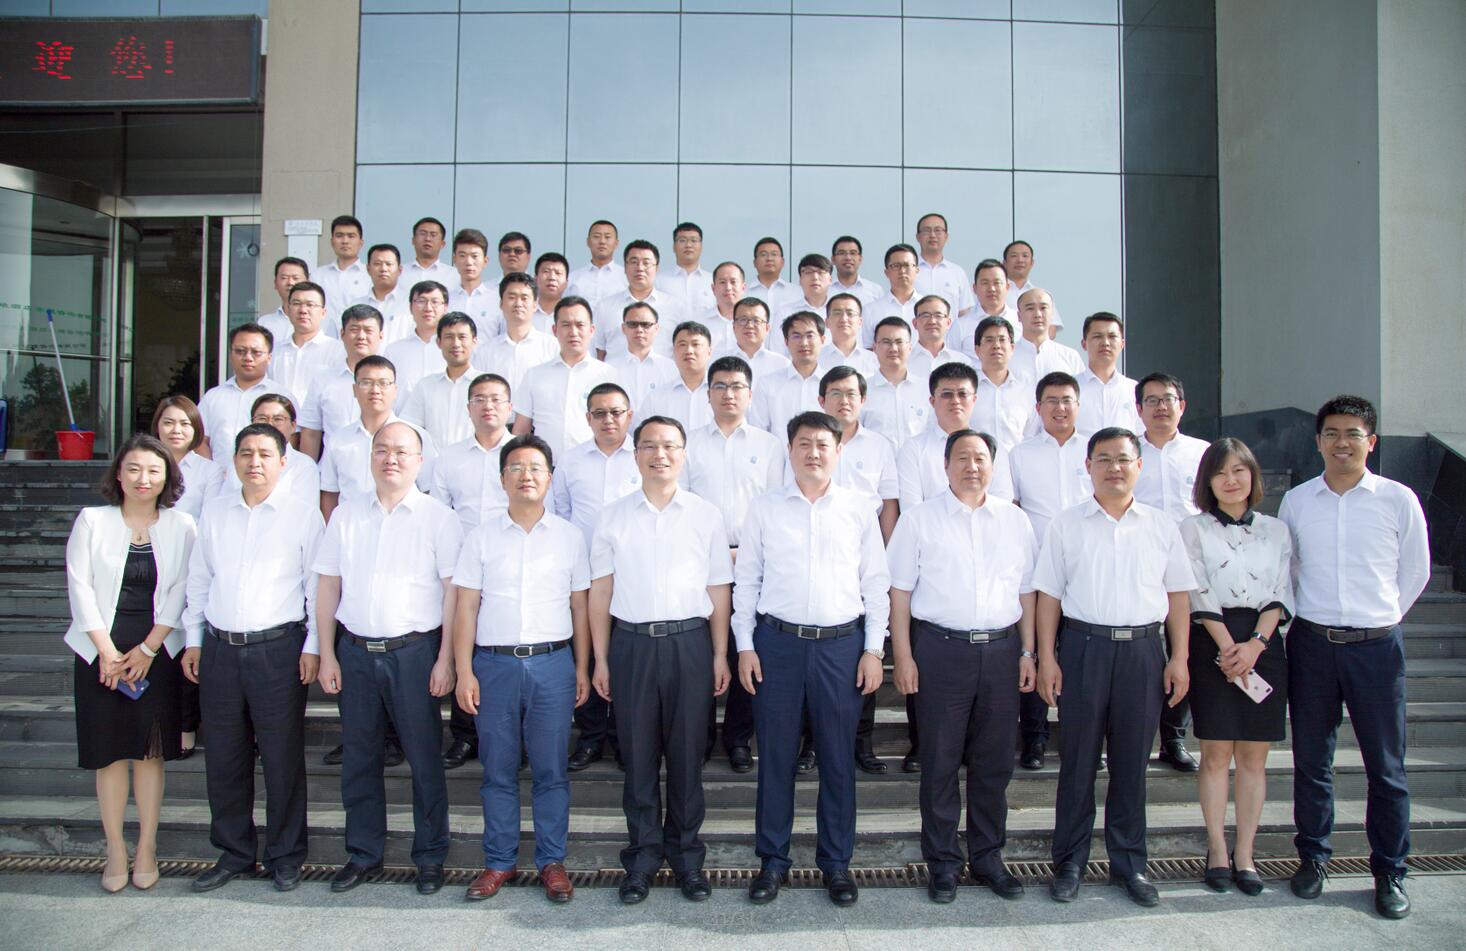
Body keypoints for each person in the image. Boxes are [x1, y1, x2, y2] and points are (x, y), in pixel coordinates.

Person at [1279, 395, 1429, 919]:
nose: (1342, 443)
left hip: (1376, 649)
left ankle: (1390, 871)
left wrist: (1379, 618)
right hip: (1312, 645)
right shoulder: (1297, 501)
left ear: (1372, 441)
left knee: (1385, 768)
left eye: (1353, 433)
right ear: (1318, 441)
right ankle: (1313, 858)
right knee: (1311, 762)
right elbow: (1289, 570)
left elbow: (1415, 570)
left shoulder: (1398, 499)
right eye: (1332, 433)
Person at [1034, 427, 1195, 908]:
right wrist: (1047, 658)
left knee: (1131, 766)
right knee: (1077, 763)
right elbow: (1048, 596)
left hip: (1143, 653)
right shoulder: (1067, 524)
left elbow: (1178, 596)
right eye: (1103, 459)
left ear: (1139, 466)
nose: (1114, 468)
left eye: (1123, 459)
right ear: (1088, 466)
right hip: (1084, 649)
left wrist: (1179, 657)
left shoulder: (1161, 526)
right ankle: (1069, 863)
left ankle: (1130, 865)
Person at [736, 412, 890, 908]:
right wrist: (744, 645)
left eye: (823, 444)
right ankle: (772, 862)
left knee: (838, 759)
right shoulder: (764, 508)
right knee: (776, 758)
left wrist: (873, 649)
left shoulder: (859, 509)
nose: (814, 453)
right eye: (804, 443)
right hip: (777, 645)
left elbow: (876, 584)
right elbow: (747, 581)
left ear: (839, 451)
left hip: (840, 648)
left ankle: (837, 864)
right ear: (790, 449)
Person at [313, 421, 463, 896]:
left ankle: (430, 855)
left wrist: (446, 659)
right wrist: (326, 653)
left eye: (401, 451)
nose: (390, 458)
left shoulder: (439, 518)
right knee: (359, 759)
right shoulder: (346, 514)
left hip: (414, 654)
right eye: (382, 450)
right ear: (370, 457)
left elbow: (453, 594)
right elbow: (328, 585)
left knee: (424, 760)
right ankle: (363, 853)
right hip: (355, 652)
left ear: (420, 461)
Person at [889, 429, 1037, 903]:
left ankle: (989, 857)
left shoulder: (1015, 521)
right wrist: (903, 656)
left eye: (980, 458)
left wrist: (1028, 652)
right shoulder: (919, 519)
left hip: (1001, 651)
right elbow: (899, 593)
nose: (971, 466)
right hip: (940, 650)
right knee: (939, 762)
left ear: (993, 465)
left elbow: (1027, 592)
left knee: (994, 763)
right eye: (962, 458)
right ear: (945, 465)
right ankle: (943, 863)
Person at [590, 416, 732, 904]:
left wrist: (719, 654)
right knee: (638, 757)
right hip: (631, 645)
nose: (660, 454)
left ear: (684, 454)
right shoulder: (612, 516)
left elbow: (718, 588)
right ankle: (642, 860)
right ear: (635, 456)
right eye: (649, 446)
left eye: (670, 445)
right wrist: (601, 659)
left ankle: (688, 860)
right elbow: (600, 591)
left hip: (689, 644)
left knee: (689, 757)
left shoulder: (705, 515)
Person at [181, 423, 324, 894]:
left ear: (284, 462)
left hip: (278, 649)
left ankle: (286, 854)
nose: (255, 462)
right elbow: (200, 578)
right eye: (246, 453)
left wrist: (313, 646)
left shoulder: (303, 516)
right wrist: (194, 639)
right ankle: (235, 853)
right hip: (220, 648)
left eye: (265, 454)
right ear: (234, 460)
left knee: (282, 758)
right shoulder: (215, 512)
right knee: (224, 757)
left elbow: (315, 587)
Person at [453, 434, 589, 905]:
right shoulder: (481, 537)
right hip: (494, 666)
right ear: (502, 479)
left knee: (551, 769)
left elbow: (580, 608)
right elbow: (466, 607)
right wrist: (464, 671)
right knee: (498, 770)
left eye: (535, 468)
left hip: (552, 664)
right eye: (516, 468)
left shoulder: (570, 538)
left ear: (550, 478)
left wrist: (582, 668)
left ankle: (551, 861)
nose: (526, 476)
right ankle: (499, 861)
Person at [64, 433, 196, 892]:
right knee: (110, 754)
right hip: (100, 650)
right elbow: (80, 586)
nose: (144, 478)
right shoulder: (92, 521)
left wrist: (149, 649)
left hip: (156, 650)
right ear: (118, 474)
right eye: (134, 468)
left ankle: (147, 847)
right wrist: (106, 651)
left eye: (154, 470)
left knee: (149, 753)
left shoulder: (183, 525)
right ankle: (116, 849)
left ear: (167, 477)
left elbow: (182, 589)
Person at [1179, 437, 1292, 896]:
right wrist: (1230, 649)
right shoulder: (1192, 528)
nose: (1231, 480)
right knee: (1215, 753)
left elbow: (1280, 590)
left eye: (1239, 470)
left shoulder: (1276, 530)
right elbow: (1196, 589)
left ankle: (1245, 852)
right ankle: (1217, 850)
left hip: (1263, 643)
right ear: (1207, 481)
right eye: (1220, 472)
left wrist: (1255, 647)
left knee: (1252, 757)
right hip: (1212, 640)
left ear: (1253, 476)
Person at [682, 355, 785, 772]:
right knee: (701, 649)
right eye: (720, 386)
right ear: (707, 394)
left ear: (750, 394)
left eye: (737, 386)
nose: (729, 393)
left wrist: (747, 553)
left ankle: (739, 738)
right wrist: (711, 553)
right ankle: (701, 735)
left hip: (752, 559)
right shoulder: (688, 443)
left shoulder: (769, 445)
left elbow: (776, 507)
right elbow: (680, 504)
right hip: (697, 560)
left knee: (748, 646)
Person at [432, 372, 519, 770]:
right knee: (465, 647)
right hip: (462, 568)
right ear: (468, 408)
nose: (488, 406)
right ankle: (466, 735)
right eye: (480, 399)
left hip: (512, 565)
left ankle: (514, 737)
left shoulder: (522, 454)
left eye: (496, 399)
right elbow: (439, 514)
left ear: (510, 408)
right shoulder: (449, 458)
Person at [553, 383, 640, 771]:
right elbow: (560, 513)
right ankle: (590, 737)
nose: (608, 420)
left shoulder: (642, 457)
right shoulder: (571, 461)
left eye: (616, 412)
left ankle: (622, 738)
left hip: (630, 575)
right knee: (586, 657)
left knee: (622, 658)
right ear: (588, 418)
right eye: (599, 413)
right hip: (584, 578)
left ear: (629, 415)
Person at [1008, 371, 1091, 769]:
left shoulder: (1094, 450)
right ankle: (1035, 738)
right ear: (1038, 408)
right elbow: (1014, 509)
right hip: (1038, 569)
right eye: (1052, 401)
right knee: (1038, 652)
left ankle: (1084, 736)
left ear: (1078, 405)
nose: (1060, 408)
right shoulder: (1020, 454)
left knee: (1080, 656)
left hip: (1086, 569)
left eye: (1067, 400)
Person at [1134, 372, 1212, 772]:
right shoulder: (1128, 452)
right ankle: (1131, 735)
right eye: (1151, 400)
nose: (1160, 407)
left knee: (1187, 649)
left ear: (1182, 405)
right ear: (1138, 409)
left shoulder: (1202, 453)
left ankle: (1174, 737)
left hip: (1192, 567)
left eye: (1167, 399)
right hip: (1140, 566)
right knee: (1144, 652)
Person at [897, 361, 1013, 520]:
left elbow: (1002, 502)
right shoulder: (913, 449)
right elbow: (912, 509)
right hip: (931, 533)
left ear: (974, 399)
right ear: (932, 401)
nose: (955, 401)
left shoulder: (991, 447)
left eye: (963, 394)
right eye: (947, 394)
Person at [512, 296, 617, 456]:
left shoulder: (608, 375)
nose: (573, 332)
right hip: (546, 464)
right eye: (566, 325)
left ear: (591, 330)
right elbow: (521, 429)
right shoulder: (535, 375)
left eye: (580, 325)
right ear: (555, 330)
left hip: (593, 461)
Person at [298, 304, 386, 461]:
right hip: (332, 469)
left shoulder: (392, 380)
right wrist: (308, 470)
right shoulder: (323, 379)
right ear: (342, 334)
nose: (361, 336)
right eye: (354, 329)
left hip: (379, 467)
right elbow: (311, 433)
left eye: (368, 330)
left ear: (381, 336)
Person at [198, 323, 293, 464]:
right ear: (230, 355)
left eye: (256, 352)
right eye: (240, 351)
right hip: (219, 476)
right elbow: (200, 441)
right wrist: (213, 472)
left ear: (269, 357)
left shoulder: (282, 397)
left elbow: (293, 441)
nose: (248, 357)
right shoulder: (212, 397)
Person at [400, 311, 479, 450]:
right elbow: (409, 428)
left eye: (462, 337)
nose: (456, 343)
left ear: (474, 341)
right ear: (438, 342)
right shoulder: (426, 386)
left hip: (474, 459)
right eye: (449, 337)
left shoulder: (486, 386)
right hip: (433, 461)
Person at [593, 240, 682, 360]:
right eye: (634, 262)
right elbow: (599, 352)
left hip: (662, 372)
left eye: (646, 263)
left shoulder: (675, 307)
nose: (640, 268)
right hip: (617, 372)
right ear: (625, 268)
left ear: (657, 268)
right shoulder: (605, 306)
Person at [473, 275, 558, 395]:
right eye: (512, 297)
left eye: (524, 298)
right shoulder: (486, 352)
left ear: (535, 305)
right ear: (501, 304)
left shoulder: (552, 347)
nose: (518, 303)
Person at [748, 312, 827, 438]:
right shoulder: (767, 383)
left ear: (822, 340)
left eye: (810, 336)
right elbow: (758, 431)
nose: (804, 343)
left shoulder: (832, 384)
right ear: (786, 341)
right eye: (796, 336)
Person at [269, 281, 344, 411]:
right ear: (288, 309)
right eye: (296, 304)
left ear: (323, 312)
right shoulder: (274, 351)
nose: (303, 310)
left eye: (310, 305)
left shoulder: (338, 351)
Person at [969, 315, 1035, 454]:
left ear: (1012, 348)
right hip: (976, 463)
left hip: (1016, 465)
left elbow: (1032, 437)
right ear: (977, 350)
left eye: (1002, 339)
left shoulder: (1027, 393)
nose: (996, 346)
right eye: (989, 340)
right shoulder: (966, 392)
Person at [861, 316, 929, 449]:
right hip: (876, 460)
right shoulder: (862, 390)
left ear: (910, 347)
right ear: (874, 347)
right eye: (886, 342)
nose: (893, 348)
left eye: (899, 342)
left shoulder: (926, 389)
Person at [1074, 312, 1142, 439]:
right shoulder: (1071, 388)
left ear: (1122, 344)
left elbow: (1142, 434)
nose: (1105, 342)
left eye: (1112, 336)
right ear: (1084, 344)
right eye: (1097, 336)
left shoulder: (1134, 389)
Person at [382, 281, 450, 397]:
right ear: (410, 307)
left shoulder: (454, 350)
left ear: (445, 308)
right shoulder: (394, 351)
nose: (428, 308)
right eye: (421, 301)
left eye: (435, 302)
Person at [642, 321, 714, 430]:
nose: (689, 350)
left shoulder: (725, 394)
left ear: (709, 352)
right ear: (674, 351)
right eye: (682, 344)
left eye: (696, 344)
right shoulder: (656, 397)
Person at [604, 301, 678, 407]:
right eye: (633, 324)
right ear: (623, 328)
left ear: (656, 329)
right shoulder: (609, 367)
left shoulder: (670, 368)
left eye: (646, 325)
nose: (639, 330)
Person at [1009, 288, 1083, 382]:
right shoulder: (1007, 356)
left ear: (1052, 314)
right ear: (1019, 316)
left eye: (1043, 308)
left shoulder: (1070, 356)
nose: (1038, 314)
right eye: (1030, 308)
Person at [718, 296, 791, 388]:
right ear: (733, 327)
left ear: (767, 328)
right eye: (743, 320)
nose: (749, 325)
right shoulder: (718, 361)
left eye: (756, 321)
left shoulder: (783, 365)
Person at [949, 259, 1015, 359]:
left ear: (1007, 287)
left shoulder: (1020, 322)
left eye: (997, 283)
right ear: (974, 288)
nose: (991, 289)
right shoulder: (960, 326)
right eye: (985, 283)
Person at [770, 254, 835, 356]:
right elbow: (777, 353)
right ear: (800, 279)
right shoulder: (785, 313)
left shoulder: (840, 312)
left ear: (830, 279)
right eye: (808, 272)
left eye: (820, 272)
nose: (815, 277)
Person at [912, 213, 974, 318]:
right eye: (926, 230)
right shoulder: (909, 271)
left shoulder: (957, 272)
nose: (932, 235)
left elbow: (964, 312)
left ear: (946, 236)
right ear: (918, 237)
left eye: (938, 230)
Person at [447, 229, 503, 340]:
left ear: (485, 261)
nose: (469, 262)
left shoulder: (498, 300)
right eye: (462, 255)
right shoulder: (446, 300)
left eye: (474, 256)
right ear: (454, 260)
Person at [312, 215, 370, 320]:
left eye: (351, 236)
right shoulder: (317, 276)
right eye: (339, 236)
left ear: (361, 243)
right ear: (332, 242)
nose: (345, 241)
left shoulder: (370, 275)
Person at [258, 256, 328, 344]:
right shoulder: (264, 323)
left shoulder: (326, 322)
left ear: (308, 281)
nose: (290, 282)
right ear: (275, 283)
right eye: (284, 278)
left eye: (295, 278)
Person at [349, 244, 411, 343]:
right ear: (368, 269)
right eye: (377, 264)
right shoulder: (356, 305)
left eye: (389, 264)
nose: (383, 269)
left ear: (400, 270)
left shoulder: (410, 304)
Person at [863, 244, 921, 347]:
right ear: (886, 272)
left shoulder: (929, 309)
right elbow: (868, 348)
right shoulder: (870, 310)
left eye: (907, 265)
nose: (902, 271)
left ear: (917, 270)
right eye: (896, 266)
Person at [907, 295, 972, 384]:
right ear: (915, 323)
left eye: (938, 315)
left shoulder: (962, 362)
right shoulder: (904, 361)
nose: (932, 321)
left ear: (948, 323)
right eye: (925, 315)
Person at [654, 221, 715, 313]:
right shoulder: (658, 281)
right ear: (674, 246)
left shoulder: (713, 281)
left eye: (693, 240)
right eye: (682, 240)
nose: (688, 245)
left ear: (701, 246)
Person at [566, 219, 627, 303]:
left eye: (607, 237)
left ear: (616, 243)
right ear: (588, 242)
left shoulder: (626, 277)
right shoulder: (573, 278)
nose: (602, 241)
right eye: (597, 236)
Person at [819, 293, 879, 377]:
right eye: (837, 313)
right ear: (827, 322)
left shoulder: (874, 360)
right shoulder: (816, 358)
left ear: (860, 322)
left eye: (850, 313)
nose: (844, 319)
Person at [402, 216, 460, 294]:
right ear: (413, 240)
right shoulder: (398, 273)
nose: (427, 239)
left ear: (442, 244)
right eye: (423, 234)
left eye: (433, 235)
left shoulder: (455, 275)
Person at [829, 235, 884, 308]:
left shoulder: (875, 291)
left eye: (853, 253)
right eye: (842, 253)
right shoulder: (824, 289)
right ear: (833, 259)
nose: (848, 258)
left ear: (860, 259)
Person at [746, 237, 798, 310]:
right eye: (763, 254)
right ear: (755, 263)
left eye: (774, 254)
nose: (769, 258)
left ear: (782, 262)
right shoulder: (744, 292)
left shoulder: (796, 292)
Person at [532, 252, 571, 331]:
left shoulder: (571, 314)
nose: (552, 277)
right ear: (535, 279)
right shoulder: (524, 311)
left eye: (558, 273)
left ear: (566, 282)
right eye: (546, 271)